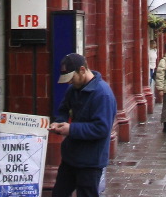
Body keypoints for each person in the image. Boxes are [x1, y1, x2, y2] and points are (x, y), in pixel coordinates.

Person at [50, 53, 117, 197]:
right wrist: (59, 122)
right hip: (71, 157)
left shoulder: (102, 94)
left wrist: (71, 129)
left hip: (91, 162)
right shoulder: (73, 89)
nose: (69, 83)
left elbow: (102, 128)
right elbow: (63, 109)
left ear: (82, 70)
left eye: (71, 78)